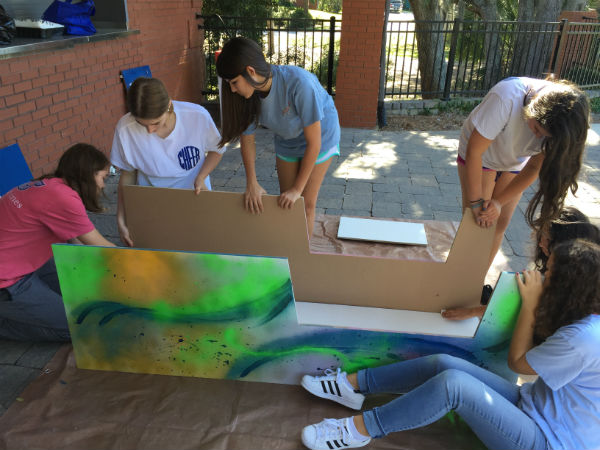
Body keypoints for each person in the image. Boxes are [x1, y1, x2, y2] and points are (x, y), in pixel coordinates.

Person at [300, 239, 600, 450]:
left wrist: (530, 307)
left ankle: (358, 430)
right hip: (531, 406)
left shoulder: (582, 338)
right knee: (443, 363)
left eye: (550, 273)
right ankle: (353, 387)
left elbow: (518, 364)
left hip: (546, 440)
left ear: (567, 287)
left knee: (453, 385)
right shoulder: (585, 321)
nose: (543, 276)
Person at [458, 76, 589, 269]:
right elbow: (475, 151)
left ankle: (476, 282)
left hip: (514, 161)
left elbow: (534, 166)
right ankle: (461, 280)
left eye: (543, 136)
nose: (537, 137)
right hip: (482, 156)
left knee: (498, 224)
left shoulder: (565, 124)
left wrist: (498, 202)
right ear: (534, 106)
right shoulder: (506, 97)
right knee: (478, 224)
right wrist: (476, 202)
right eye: (536, 128)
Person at [216, 37, 341, 238]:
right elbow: (247, 139)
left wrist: (297, 190)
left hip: (321, 136)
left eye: (234, 83)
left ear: (250, 71)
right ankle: (289, 255)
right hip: (287, 138)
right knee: (287, 204)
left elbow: (314, 143)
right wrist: (252, 183)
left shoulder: (299, 83)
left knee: (303, 204)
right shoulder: (247, 97)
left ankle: (301, 262)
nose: (232, 89)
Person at [0, 143, 116, 341]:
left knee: (80, 295)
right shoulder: (63, 198)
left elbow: (74, 238)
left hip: (23, 263)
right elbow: (100, 246)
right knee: (80, 328)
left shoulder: (49, 184)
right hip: (7, 281)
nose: (104, 185)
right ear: (88, 174)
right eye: (103, 178)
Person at [111, 77, 226, 246]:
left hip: (194, 195)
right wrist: (121, 217)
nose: (150, 131)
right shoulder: (124, 128)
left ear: (169, 106)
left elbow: (217, 149)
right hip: (151, 200)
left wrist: (201, 176)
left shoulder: (197, 116)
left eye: (156, 123)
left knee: (198, 249)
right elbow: (127, 175)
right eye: (141, 124)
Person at [442, 206, 600, 321]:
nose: (539, 242)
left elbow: (533, 306)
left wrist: (472, 312)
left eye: (545, 237)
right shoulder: (571, 263)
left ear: (561, 243)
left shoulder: (575, 280)